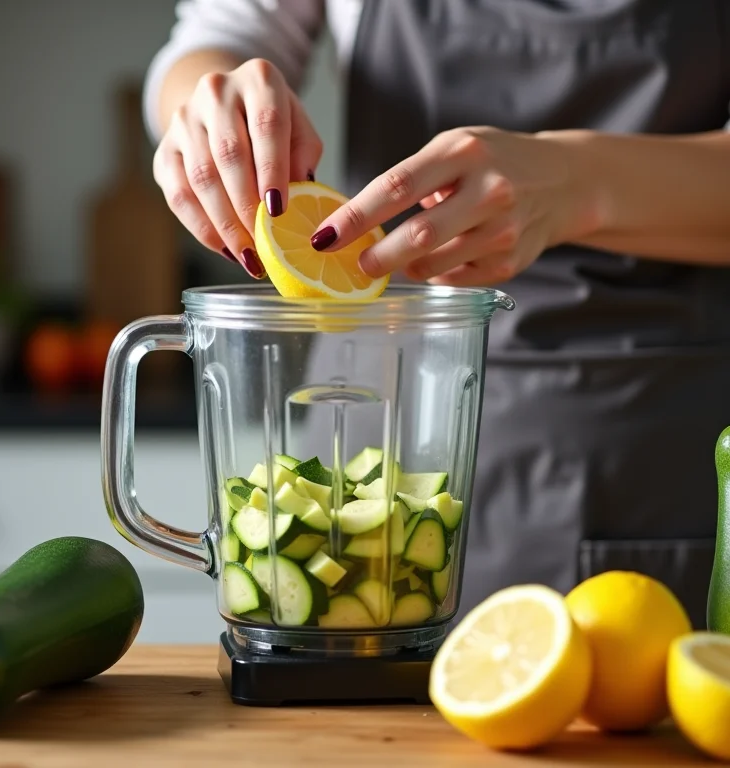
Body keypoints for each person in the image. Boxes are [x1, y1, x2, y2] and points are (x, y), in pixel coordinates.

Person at [144, 0, 730, 628]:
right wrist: (213, 108)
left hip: (648, 450)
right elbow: (217, 40)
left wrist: (577, 184)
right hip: (370, 435)